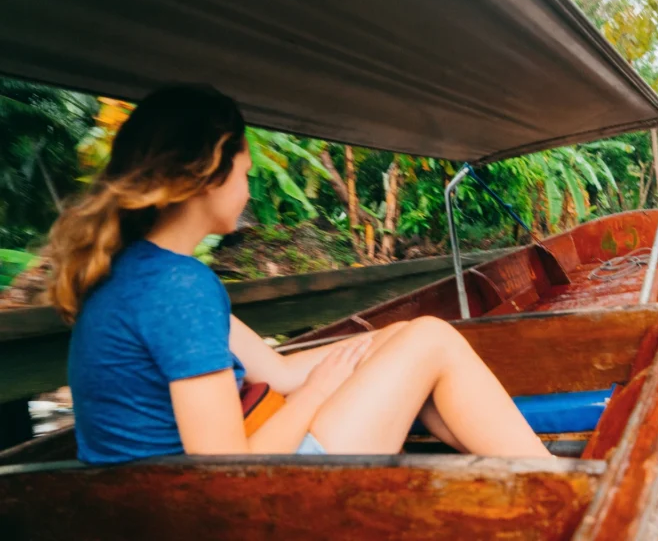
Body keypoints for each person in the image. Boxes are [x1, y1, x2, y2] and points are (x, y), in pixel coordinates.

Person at [48, 85, 550, 464]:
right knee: (433, 341)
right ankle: (555, 480)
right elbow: (223, 472)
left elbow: (281, 372)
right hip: (234, 512)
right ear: (208, 172)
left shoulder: (132, 273)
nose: (247, 189)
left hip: (167, 507)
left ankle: (526, 472)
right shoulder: (180, 288)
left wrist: (383, 344)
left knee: (410, 337)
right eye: (244, 173)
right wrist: (317, 394)